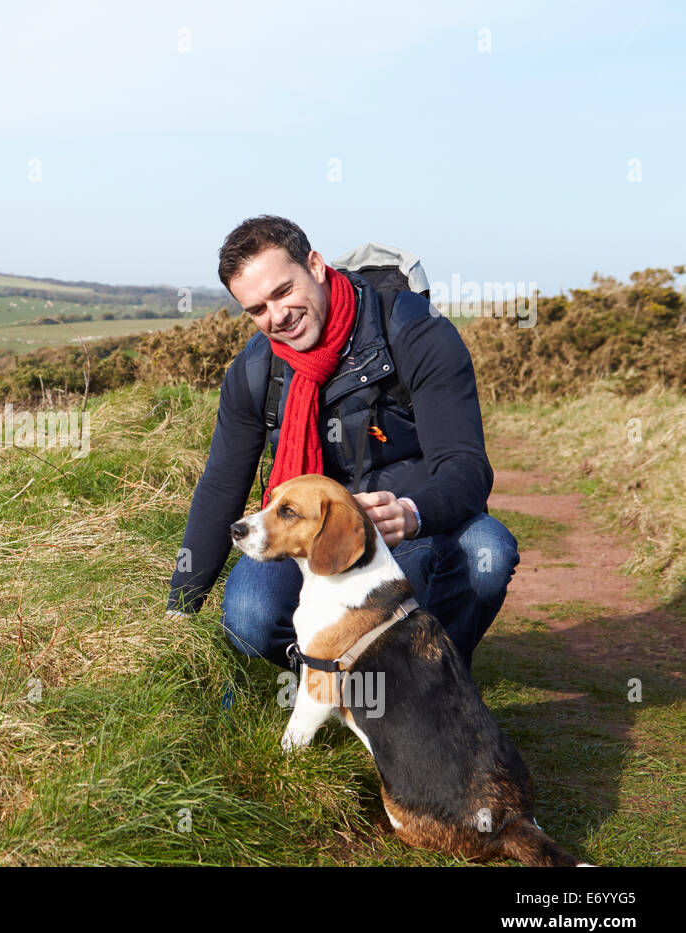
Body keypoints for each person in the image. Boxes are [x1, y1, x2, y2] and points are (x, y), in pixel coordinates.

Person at [165, 215, 518, 670]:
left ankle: (433, 674)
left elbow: (465, 468)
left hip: (409, 536)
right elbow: (220, 489)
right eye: (256, 309)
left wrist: (410, 513)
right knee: (249, 617)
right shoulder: (253, 372)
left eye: (282, 291)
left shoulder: (416, 332)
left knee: (485, 553)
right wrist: (180, 607)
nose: (277, 317)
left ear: (314, 265)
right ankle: (332, 676)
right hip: (306, 542)